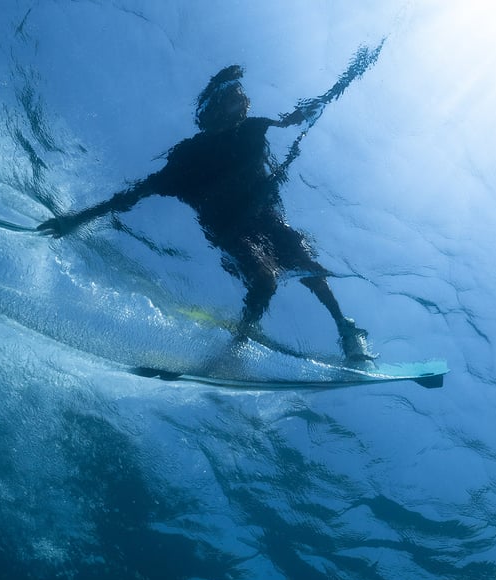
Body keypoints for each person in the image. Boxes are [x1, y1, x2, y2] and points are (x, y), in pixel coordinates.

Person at [37, 65, 375, 364]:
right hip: (230, 229)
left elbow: (291, 121)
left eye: (245, 99)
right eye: (236, 99)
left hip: (268, 219)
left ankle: (346, 330)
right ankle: (238, 345)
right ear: (213, 110)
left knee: (310, 266)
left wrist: (325, 96)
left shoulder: (254, 129)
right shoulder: (189, 156)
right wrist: (75, 220)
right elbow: (134, 194)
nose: (245, 104)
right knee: (264, 279)